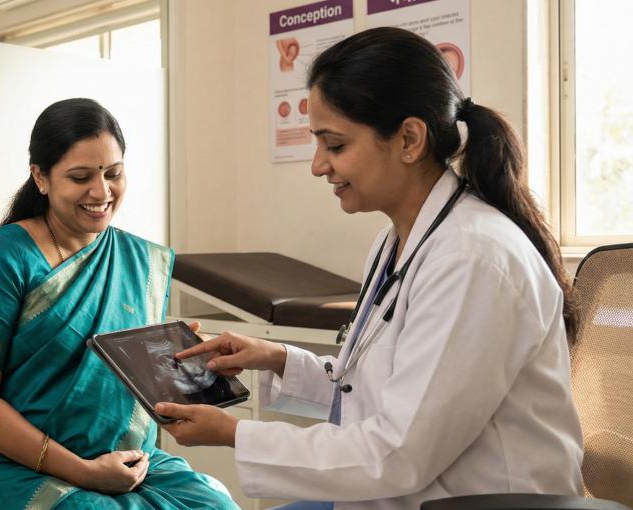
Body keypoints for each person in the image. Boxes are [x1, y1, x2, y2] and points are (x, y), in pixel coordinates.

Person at [154, 27, 584, 510]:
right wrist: (276, 357)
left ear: (409, 139)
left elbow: (398, 453)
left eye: (335, 145)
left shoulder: (470, 259)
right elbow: (370, 389)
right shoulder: (396, 241)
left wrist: (235, 434)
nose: (318, 166)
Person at [0, 98, 239, 510]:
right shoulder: (3, 257)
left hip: (124, 462)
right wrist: (83, 472)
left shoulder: (139, 261)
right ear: (40, 177)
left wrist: (189, 367)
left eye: (114, 173)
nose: (102, 192)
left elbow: (119, 385)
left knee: (217, 504)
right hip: (9, 465)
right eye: (80, 177)